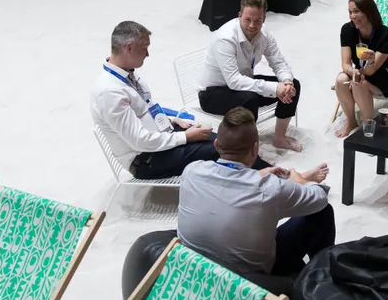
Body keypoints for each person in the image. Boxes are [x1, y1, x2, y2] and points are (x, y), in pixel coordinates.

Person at [92, 20, 269, 180]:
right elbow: (138, 141)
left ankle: (266, 172)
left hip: (162, 137)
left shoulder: (128, 74)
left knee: (224, 139)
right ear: (129, 47)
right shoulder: (110, 93)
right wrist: (185, 137)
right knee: (223, 150)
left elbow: (145, 109)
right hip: (147, 158)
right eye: (144, 48)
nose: (148, 54)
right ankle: (269, 178)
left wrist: (171, 120)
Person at [178, 107, 333, 278]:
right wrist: (300, 181)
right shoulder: (270, 189)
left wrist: (258, 175)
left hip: (196, 269)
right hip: (248, 279)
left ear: (216, 144)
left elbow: (230, 184)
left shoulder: (191, 171)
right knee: (323, 212)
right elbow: (320, 198)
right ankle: (323, 279)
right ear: (255, 149)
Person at [200, 0, 304, 152]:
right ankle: (248, 148)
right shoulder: (225, 39)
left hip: (243, 83)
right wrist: (275, 88)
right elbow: (234, 81)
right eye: (248, 19)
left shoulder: (265, 34)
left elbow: (278, 62)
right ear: (239, 15)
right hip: (212, 93)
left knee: (294, 85)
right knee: (250, 99)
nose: (252, 25)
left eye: (257, 21)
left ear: (264, 19)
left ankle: (279, 138)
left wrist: (286, 82)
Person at [334, 0, 388, 138]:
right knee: (340, 80)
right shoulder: (347, 30)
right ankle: (351, 122)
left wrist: (371, 60)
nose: (352, 16)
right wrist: (352, 71)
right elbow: (345, 64)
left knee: (359, 83)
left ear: (369, 12)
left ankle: (368, 125)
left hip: (383, 78)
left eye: (356, 11)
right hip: (360, 73)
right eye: (350, 12)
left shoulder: (385, 34)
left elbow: (371, 71)